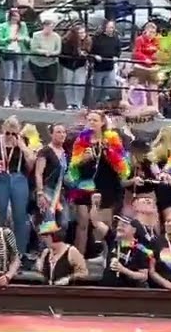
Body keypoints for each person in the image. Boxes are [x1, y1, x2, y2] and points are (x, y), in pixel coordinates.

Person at [66, 110, 130, 258]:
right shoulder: (81, 140)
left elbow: (123, 166)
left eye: (95, 120)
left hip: (106, 185)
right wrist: (84, 158)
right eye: (89, 120)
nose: (92, 123)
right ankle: (78, 259)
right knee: (82, 223)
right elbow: (73, 166)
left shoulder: (112, 138)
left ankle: (106, 259)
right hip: (84, 184)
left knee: (102, 224)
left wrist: (108, 152)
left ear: (102, 122)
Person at [0, 116, 35, 257]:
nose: (9, 136)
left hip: (18, 177)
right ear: (3, 130)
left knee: (20, 215)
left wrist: (22, 146)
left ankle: (19, 251)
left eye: (13, 133)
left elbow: (32, 162)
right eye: (7, 133)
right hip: (0, 178)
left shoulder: (24, 141)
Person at [34, 123, 71, 236]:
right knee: (49, 222)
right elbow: (38, 173)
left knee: (64, 222)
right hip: (47, 190)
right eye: (58, 132)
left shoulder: (66, 153)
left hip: (61, 192)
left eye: (64, 132)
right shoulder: (45, 151)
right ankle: (44, 249)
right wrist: (40, 193)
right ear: (51, 134)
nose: (62, 135)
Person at [102, 214, 153, 288]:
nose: (119, 227)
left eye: (124, 225)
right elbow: (96, 224)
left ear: (134, 230)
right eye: (118, 225)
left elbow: (144, 276)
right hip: (105, 289)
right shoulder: (113, 240)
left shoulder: (141, 249)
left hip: (127, 292)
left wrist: (123, 270)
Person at [35, 219, 87, 286]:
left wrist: (69, 278)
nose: (44, 240)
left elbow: (83, 273)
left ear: (53, 236)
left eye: (46, 236)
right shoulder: (46, 252)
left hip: (66, 292)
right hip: (48, 292)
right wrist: (39, 267)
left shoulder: (71, 251)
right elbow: (43, 273)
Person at [0, 7, 28, 108]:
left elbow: (26, 37)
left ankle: (16, 99)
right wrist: (8, 39)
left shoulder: (22, 25)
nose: (17, 18)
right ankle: (6, 98)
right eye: (15, 15)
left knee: (18, 77)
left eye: (18, 15)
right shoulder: (3, 26)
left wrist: (21, 39)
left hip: (19, 52)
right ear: (11, 16)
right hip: (8, 52)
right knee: (9, 76)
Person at [28, 19, 61, 110]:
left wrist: (51, 53)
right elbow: (33, 48)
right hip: (37, 62)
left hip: (51, 61)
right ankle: (41, 102)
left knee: (51, 82)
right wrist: (44, 52)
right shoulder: (36, 35)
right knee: (40, 82)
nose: (50, 29)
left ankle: (50, 102)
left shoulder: (56, 37)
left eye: (52, 27)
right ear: (44, 26)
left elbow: (58, 50)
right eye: (49, 27)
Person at [58, 25, 91, 111]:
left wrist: (85, 55)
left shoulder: (88, 41)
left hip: (80, 65)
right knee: (68, 84)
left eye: (83, 32)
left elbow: (90, 53)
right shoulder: (66, 42)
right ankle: (70, 103)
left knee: (80, 84)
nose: (82, 35)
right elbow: (64, 54)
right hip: (68, 65)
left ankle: (78, 103)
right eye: (80, 33)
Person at [89, 20, 121, 105]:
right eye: (109, 27)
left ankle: (104, 104)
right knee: (97, 88)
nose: (111, 29)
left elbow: (118, 51)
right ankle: (94, 104)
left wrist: (116, 57)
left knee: (109, 88)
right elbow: (91, 51)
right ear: (105, 28)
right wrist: (95, 56)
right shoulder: (97, 38)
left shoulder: (116, 39)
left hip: (110, 67)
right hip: (99, 68)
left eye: (112, 27)